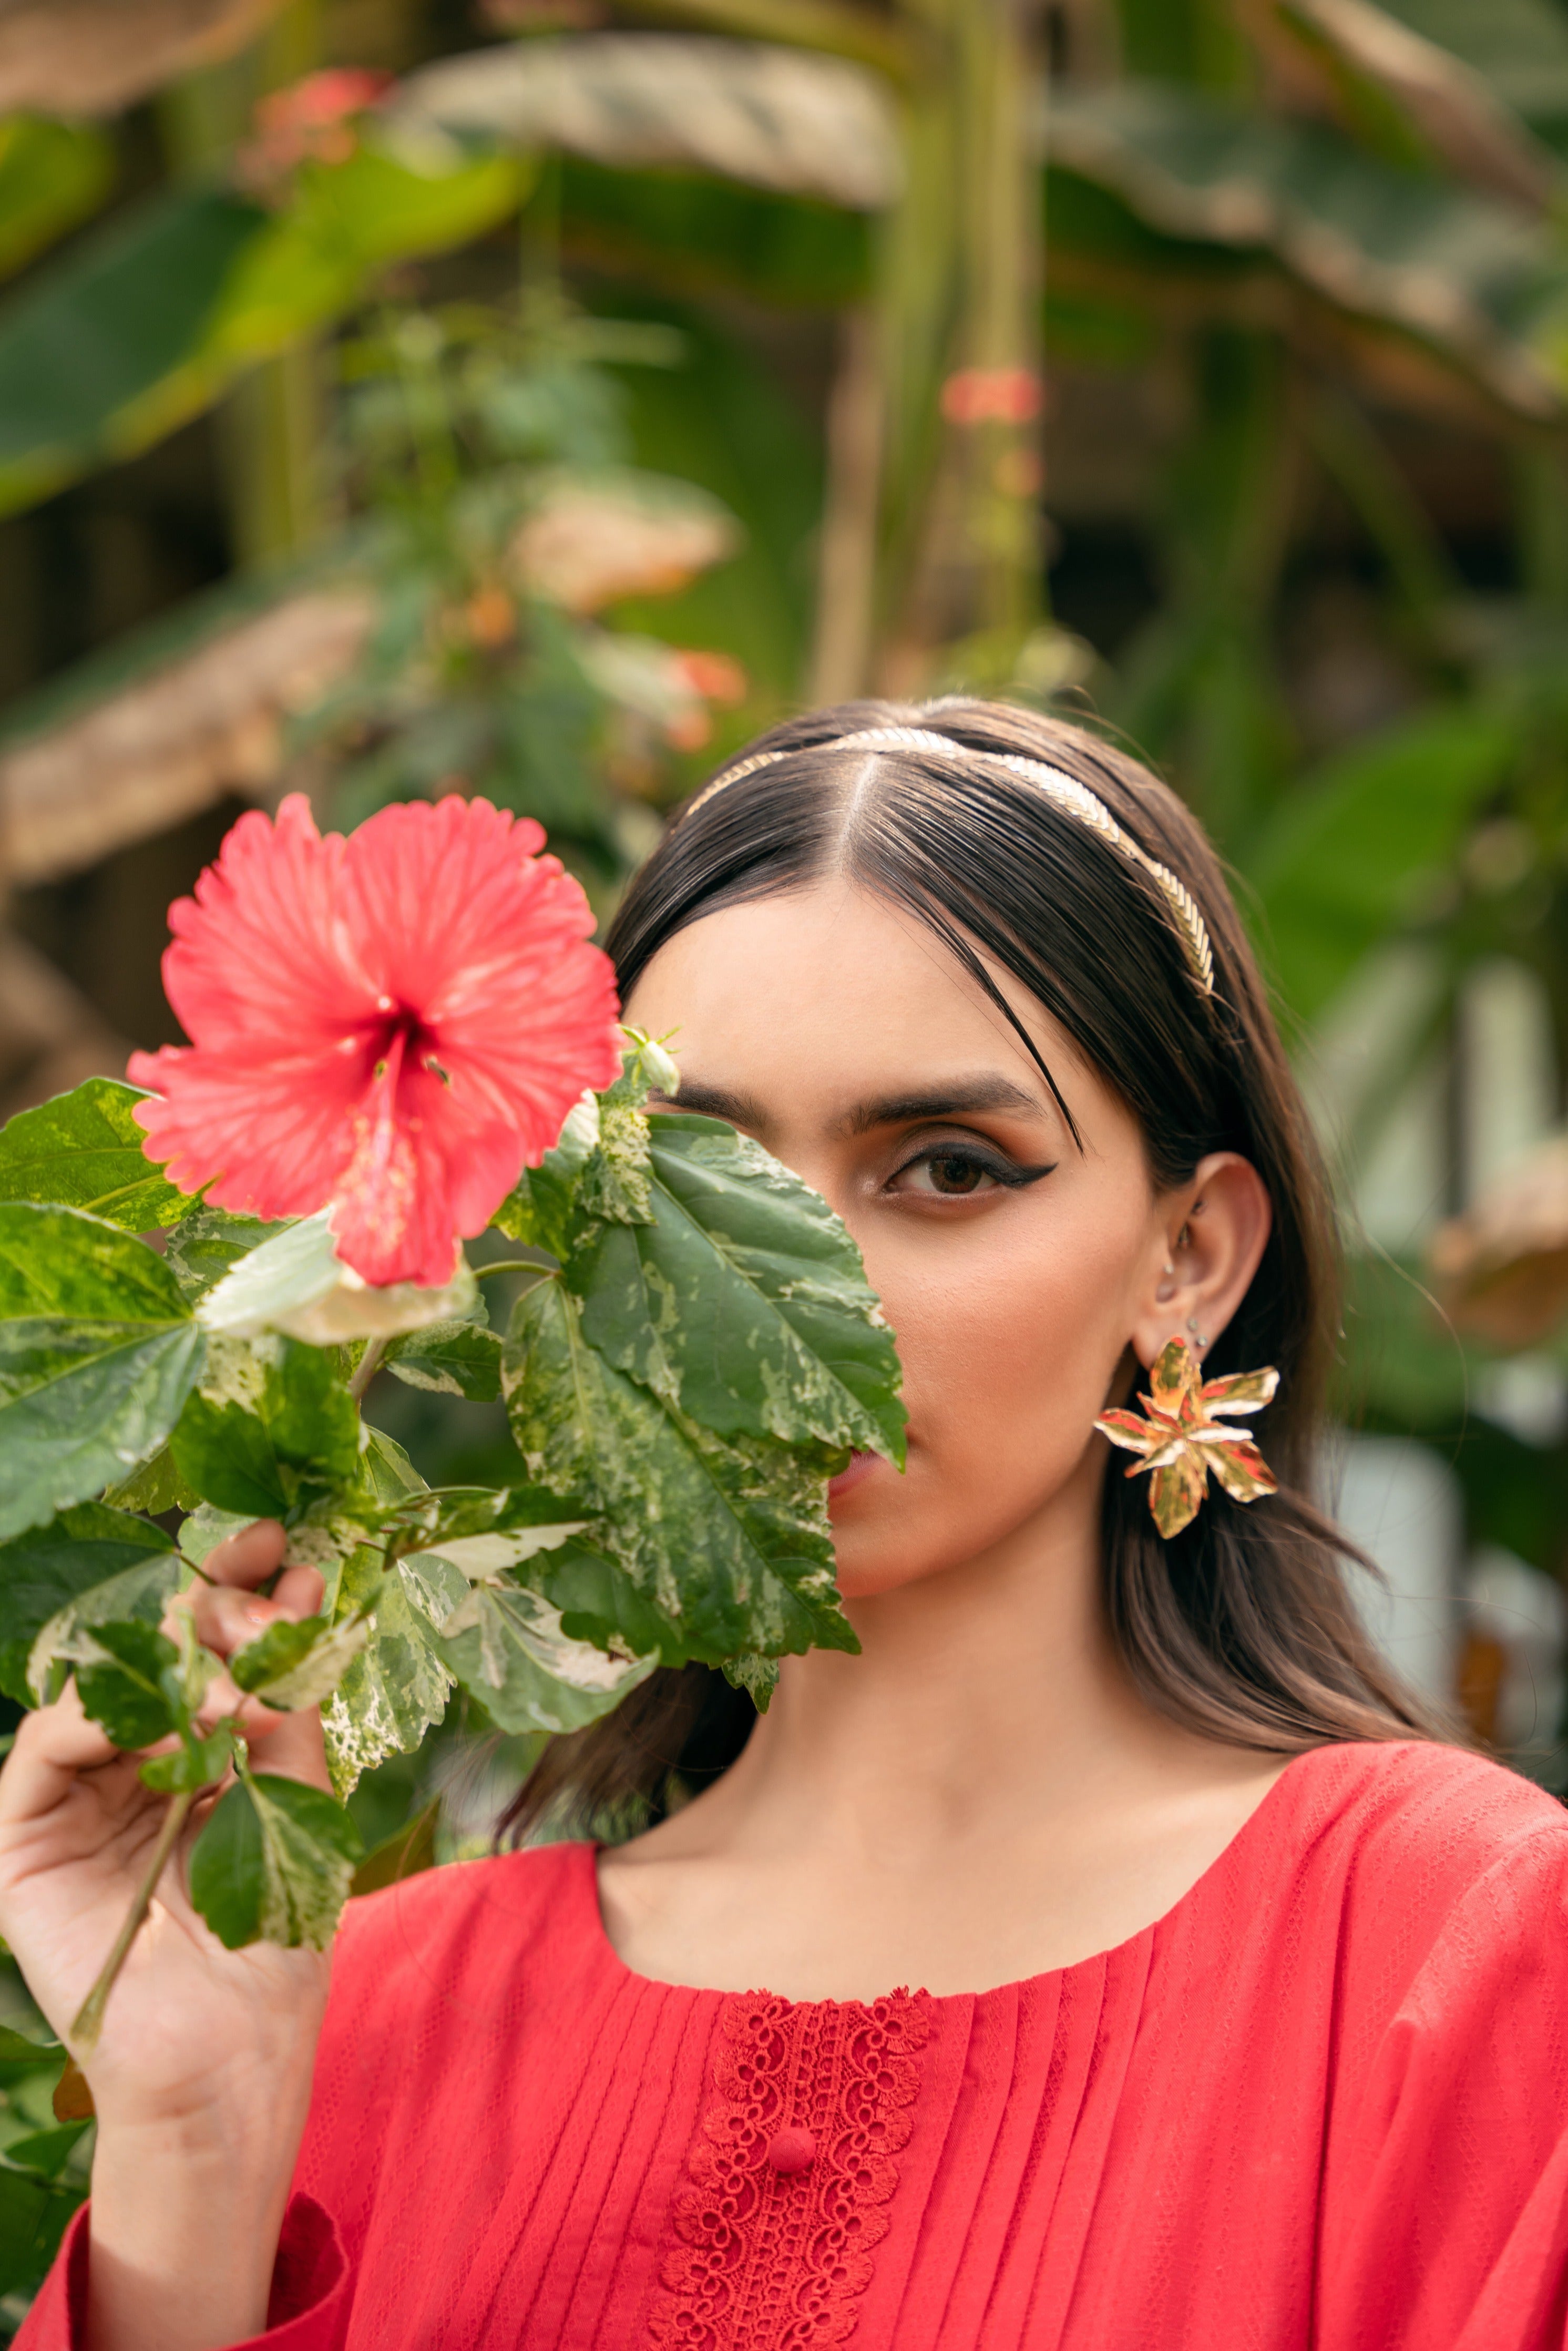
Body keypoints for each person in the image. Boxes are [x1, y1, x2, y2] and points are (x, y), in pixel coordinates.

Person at [3, 697, 1566, 2351]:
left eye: (947, 1169)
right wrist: (195, 2157)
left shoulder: (1460, 1958)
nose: (780, 1296)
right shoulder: (353, 2010)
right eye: (687, 1181)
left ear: (1188, 1257)